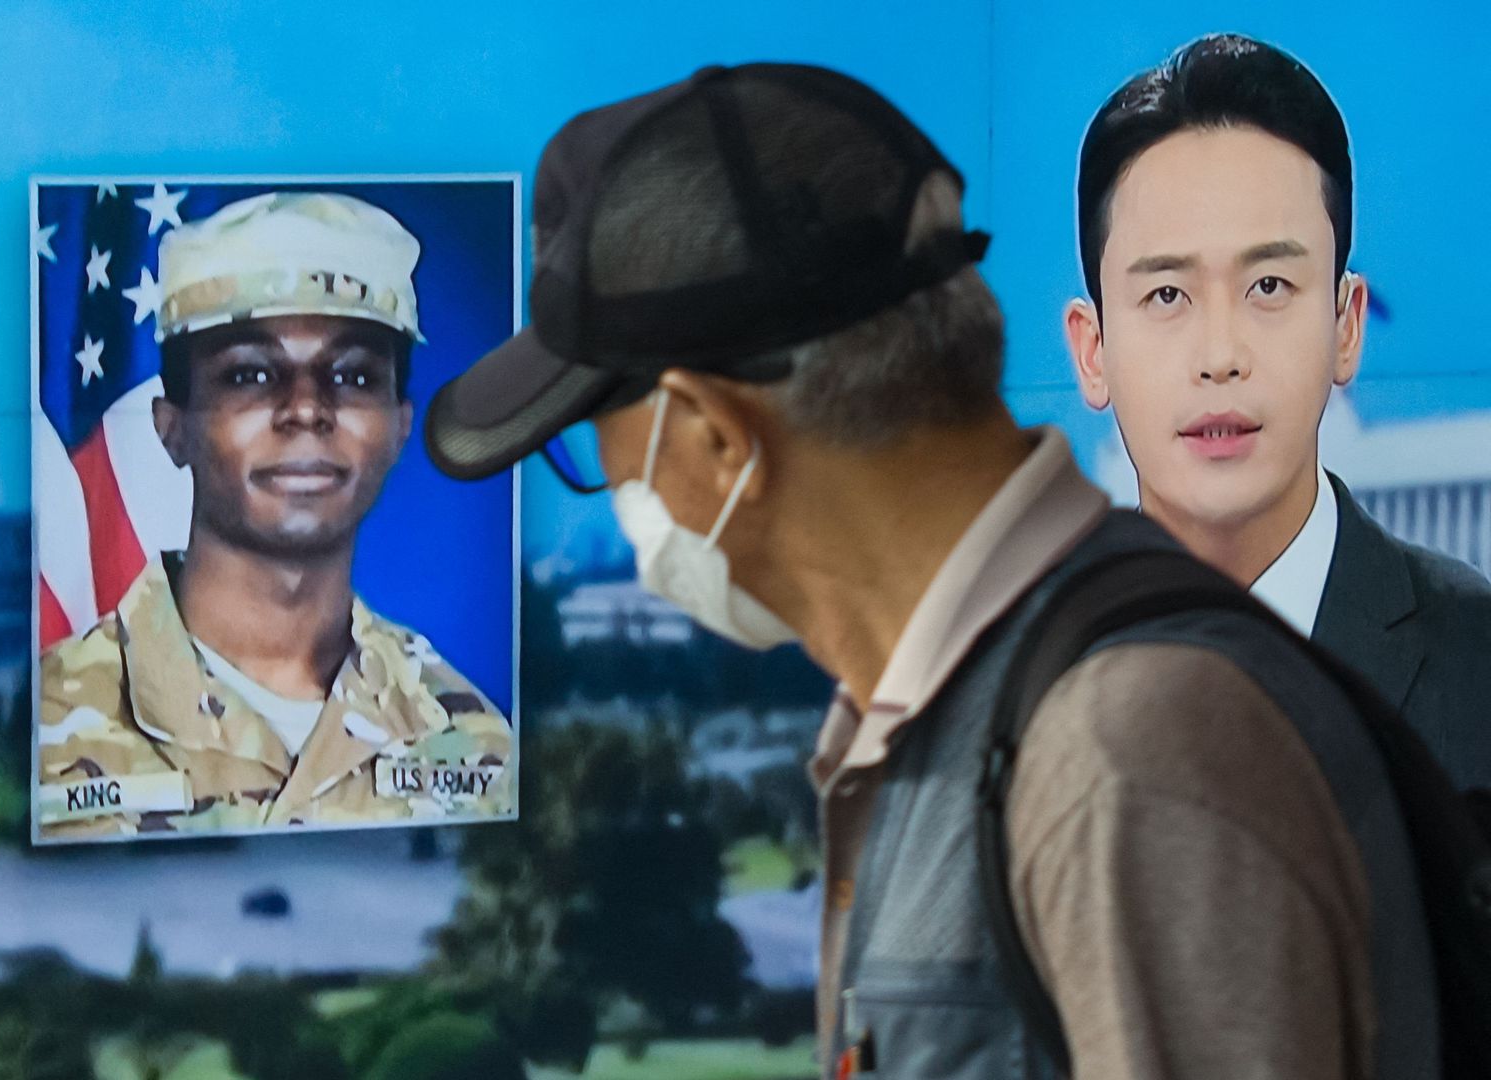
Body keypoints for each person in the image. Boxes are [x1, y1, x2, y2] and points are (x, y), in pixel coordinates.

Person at [426, 64, 1437, 1078]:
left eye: (595, 445)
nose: (612, 491)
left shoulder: (1122, 746)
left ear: (715, 438)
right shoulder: (930, 717)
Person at [1064, 34, 1491, 790]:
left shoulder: (1477, 662)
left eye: (1268, 287)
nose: (1221, 353)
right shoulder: (1007, 687)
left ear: (1346, 326)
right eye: (1168, 295)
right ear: (1093, 350)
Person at [37, 191, 511, 841]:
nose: (306, 410)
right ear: (171, 429)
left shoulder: (472, 736)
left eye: (351, 376)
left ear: (400, 429)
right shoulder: (48, 720)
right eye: (251, 375)